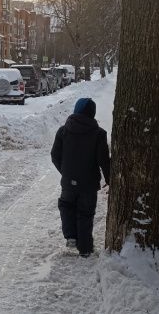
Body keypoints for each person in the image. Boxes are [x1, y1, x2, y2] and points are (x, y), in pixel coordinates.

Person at [50, 97, 110, 257]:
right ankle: (85, 249)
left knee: (66, 206)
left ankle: (70, 236)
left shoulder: (63, 131)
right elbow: (103, 160)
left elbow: (55, 155)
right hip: (89, 184)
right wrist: (110, 180)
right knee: (85, 214)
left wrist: (65, 172)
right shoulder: (99, 134)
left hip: (68, 182)